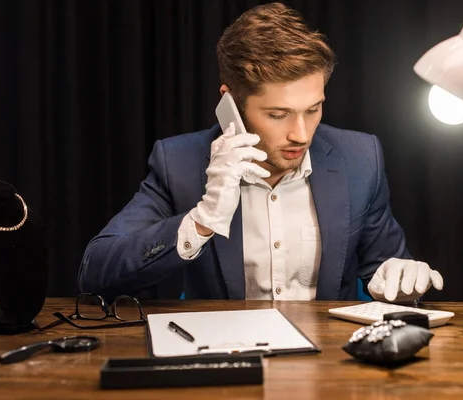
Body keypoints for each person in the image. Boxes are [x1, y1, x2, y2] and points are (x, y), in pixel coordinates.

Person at [78, 2, 443, 302]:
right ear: (231, 104)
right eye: (277, 114)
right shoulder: (180, 163)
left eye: (313, 109)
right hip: (230, 368)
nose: (301, 134)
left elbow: (387, 270)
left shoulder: (361, 158)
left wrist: (403, 280)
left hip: (330, 369)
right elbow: (95, 273)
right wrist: (202, 220)